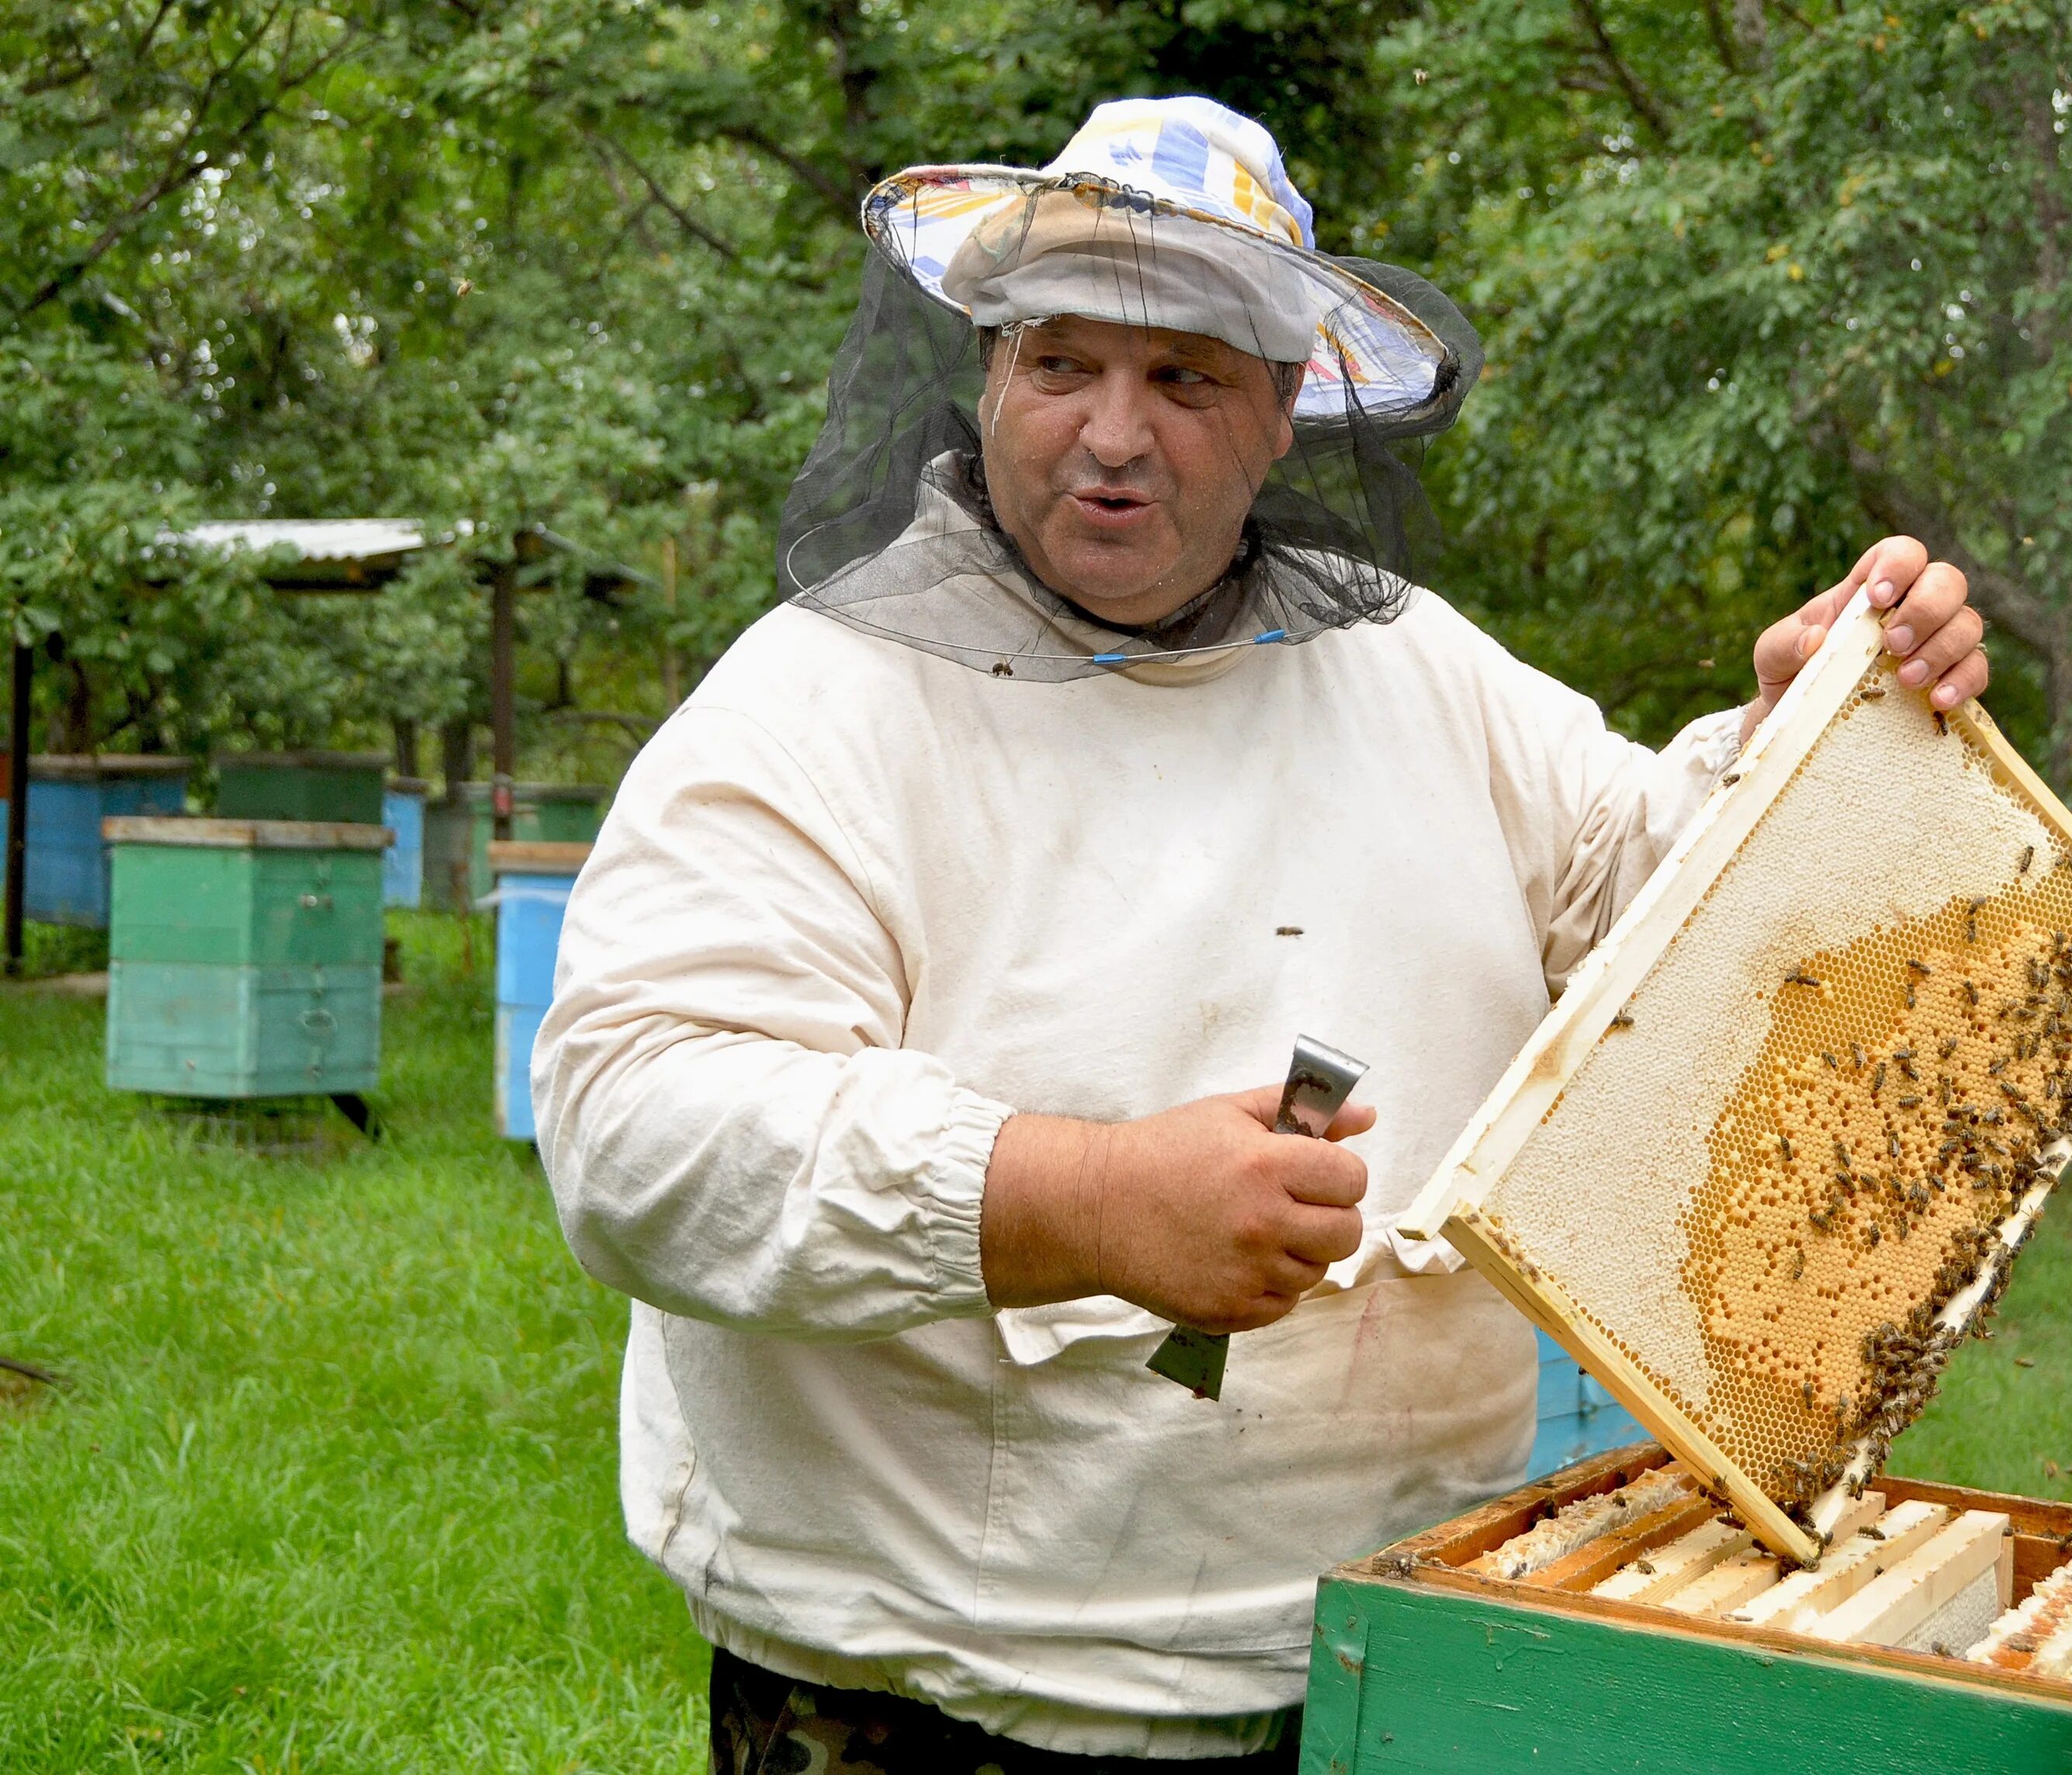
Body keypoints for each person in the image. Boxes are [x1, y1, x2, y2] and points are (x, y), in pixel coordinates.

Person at [534, 95, 1989, 1773]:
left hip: (1402, 1657)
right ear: (987, 368)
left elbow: (1644, 899)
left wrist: (1793, 741)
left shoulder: (1419, 670)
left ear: (1288, 407)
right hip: (941, 1699)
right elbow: (638, 1127)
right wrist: (1075, 1196)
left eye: (1186, 378)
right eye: (1062, 361)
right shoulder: (815, 706)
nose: (1111, 433)